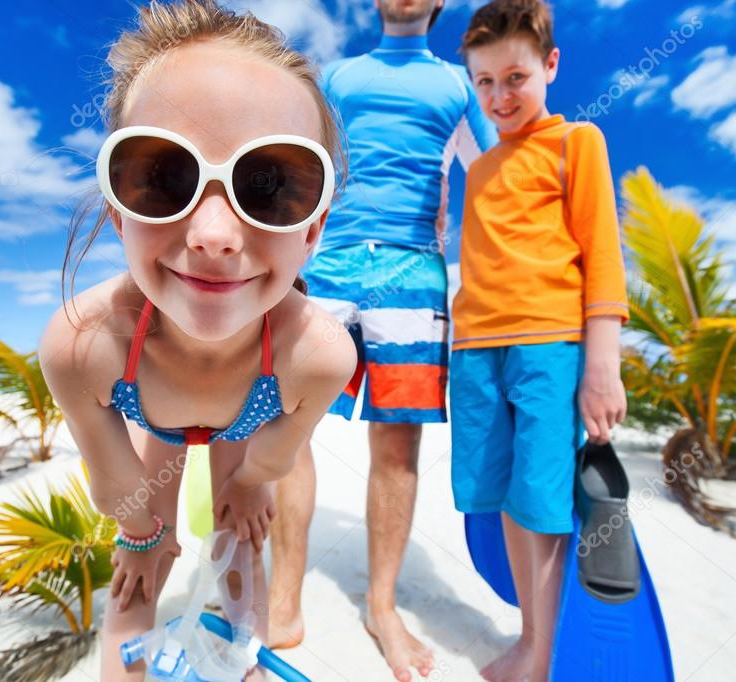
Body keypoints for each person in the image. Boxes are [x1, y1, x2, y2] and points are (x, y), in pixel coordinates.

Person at [37, 2, 357, 679]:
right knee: (138, 574)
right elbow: (114, 480)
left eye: (268, 187)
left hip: (253, 415)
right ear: (119, 212)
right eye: (163, 177)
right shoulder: (84, 344)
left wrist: (252, 484)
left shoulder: (317, 353)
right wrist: (143, 535)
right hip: (151, 408)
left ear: (313, 230)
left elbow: (277, 455)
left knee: (240, 545)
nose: (213, 233)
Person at [267, 1, 498, 680]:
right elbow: (297, 165)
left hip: (413, 271)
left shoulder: (459, 85)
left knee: (397, 442)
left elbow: (491, 174)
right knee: (286, 424)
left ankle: (382, 607)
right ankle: (282, 598)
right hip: (328, 261)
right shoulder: (335, 77)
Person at [449, 1, 629, 680]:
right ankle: (533, 631)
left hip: (548, 345)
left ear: (550, 65)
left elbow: (601, 255)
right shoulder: (483, 171)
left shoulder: (575, 141)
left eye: (514, 78)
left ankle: (537, 648)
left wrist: (601, 366)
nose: (499, 97)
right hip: (472, 353)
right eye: (484, 82)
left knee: (541, 497)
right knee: (496, 495)